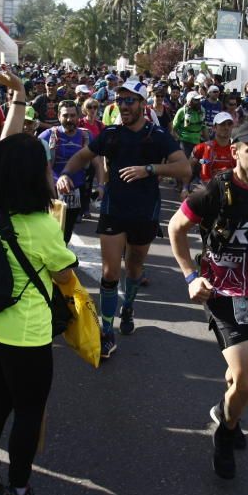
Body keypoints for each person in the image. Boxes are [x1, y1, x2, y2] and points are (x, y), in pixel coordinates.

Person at [0, 77, 75, 495]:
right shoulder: (44, 226)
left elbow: (5, 151)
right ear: (36, 175)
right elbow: (64, 275)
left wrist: (19, 100)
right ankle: (18, 490)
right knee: (28, 409)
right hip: (24, 335)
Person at [168, 119, 248, 479]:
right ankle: (224, 434)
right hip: (222, 293)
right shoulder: (216, 190)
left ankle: (228, 413)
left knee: (238, 378)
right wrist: (191, 277)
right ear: (235, 151)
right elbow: (176, 228)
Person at [57, 80, 190, 358]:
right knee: (109, 272)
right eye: (120, 100)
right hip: (113, 209)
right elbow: (83, 156)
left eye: (130, 100)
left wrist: (150, 169)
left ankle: (128, 306)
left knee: (134, 269)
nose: (124, 105)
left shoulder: (157, 135)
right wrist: (66, 175)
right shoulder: (111, 134)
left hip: (144, 212)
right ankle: (106, 330)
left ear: (143, 104)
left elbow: (184, 167)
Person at [39, 100, 100, 243]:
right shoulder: (47, 136)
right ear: (59, 116)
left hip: (76, 191)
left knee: (66, 231)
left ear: (78, 116)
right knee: (49, 230)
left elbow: (98, 162)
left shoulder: (86, 136)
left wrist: (101, 186)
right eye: (65, 116)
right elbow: (39, 166)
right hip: (52, 191)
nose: (69, 119)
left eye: (73, 115)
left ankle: (62, 258)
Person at [191, 112, 236, 186]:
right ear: (214, 128)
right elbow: (188, 169)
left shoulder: (237, 150)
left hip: (231, 190)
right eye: (222, 124)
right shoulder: (201, 148)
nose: (226, 127)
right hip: (205, 189)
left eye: (229, 124)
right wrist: (185, 188)